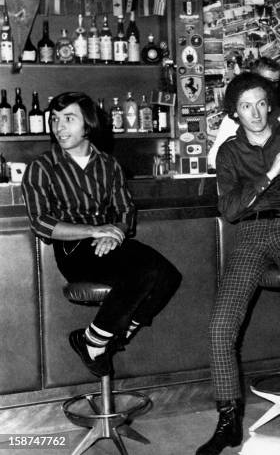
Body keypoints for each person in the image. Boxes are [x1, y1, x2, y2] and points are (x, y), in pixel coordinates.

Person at [196, 73, 280, 454]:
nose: (255, 112)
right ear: (234, 112)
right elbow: (230, 211)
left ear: (271, 104)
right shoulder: (229, 153)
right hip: (249, 234)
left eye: (261, 103)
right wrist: (269, 177)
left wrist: (257, 193)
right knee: (220, 326)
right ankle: (229, 421)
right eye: (246, 105)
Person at [21, 92, 182, 377]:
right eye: (55, 120)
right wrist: (94, 230)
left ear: (88, 125)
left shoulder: (109, 164)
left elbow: (125, 211)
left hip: (110, 242)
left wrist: (116, 234)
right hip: (73, 251)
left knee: (168, 274)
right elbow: (41, 223)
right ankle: (97, 342)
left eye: (69, 119)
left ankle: (102, 338)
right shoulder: (42, 167)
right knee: (143, 272)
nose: (59, 127)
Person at [207, 57, 280, 170]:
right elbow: (214, 159)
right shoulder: (235, 118)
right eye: (266, 81)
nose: (271, 87)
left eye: (275, 83)